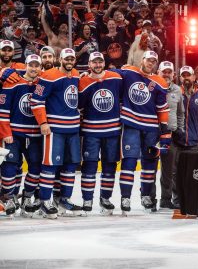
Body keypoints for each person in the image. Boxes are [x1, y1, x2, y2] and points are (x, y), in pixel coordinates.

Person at [30, 48, 82, 219]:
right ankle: (45, 201)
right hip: (55, 129)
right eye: (66, 58)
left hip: (73, 129)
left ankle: (63, 199)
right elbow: (36, 100)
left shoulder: (75, 74)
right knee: (50, 165)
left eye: (72, 58)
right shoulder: (48, 76)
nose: (69, 61)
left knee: (70, 165)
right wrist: (43, 122)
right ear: (60, 59)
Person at [117, 50, 170, 215]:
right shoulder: (128, 71)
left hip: (151, 127)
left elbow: (162, 107)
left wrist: (164, 126)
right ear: (143, 60)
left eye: (154, 61)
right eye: (149, 60)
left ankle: (146, 195)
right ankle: (125, 197)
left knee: (150, 162)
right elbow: (108, 76)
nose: (151, 63)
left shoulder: (160, 82)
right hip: (131, 123)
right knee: (130, 161)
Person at [78, 52, 122, 215]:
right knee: (89, 165)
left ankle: (105, 198)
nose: (97, 65)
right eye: (94, 63)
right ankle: (87, 199)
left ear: (104, 63)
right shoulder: (83, 81)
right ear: (89, 64)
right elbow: (80, 105)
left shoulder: (116, 78)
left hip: (112, 130)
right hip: (91, 131)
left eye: (100, 62)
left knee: (109, 166)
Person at [0, 54, 43, 217]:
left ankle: (27, 196)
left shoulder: (42, 85)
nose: (33, 68)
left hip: (35, 136)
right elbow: (3, 111)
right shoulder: (12, 84)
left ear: (40, 68)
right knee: (10, 166)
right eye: (31, 65)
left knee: (36, 167)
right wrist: (6, 133)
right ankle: (9, 197)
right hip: (15, 134)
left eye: (36, 65)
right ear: (25, 66)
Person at [153, 61, 185, 209]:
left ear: (173, 74)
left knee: (168, 169)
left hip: (170, 134)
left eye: (169, 72)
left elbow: (180, 113)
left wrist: (180, 129)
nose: (166, 74)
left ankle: (166, 199)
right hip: (152, 133)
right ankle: (149, 198)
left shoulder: (178, 90)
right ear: (158, 72)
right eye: (163, 71)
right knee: (150, 168)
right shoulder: (151, 86)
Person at [179, 65, 198, 151]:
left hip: (194, 141)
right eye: (183, 76)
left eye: (188, 75)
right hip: (176, 142)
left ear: (194, 77)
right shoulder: (175, 94)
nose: (186, 78)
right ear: (180, 78)